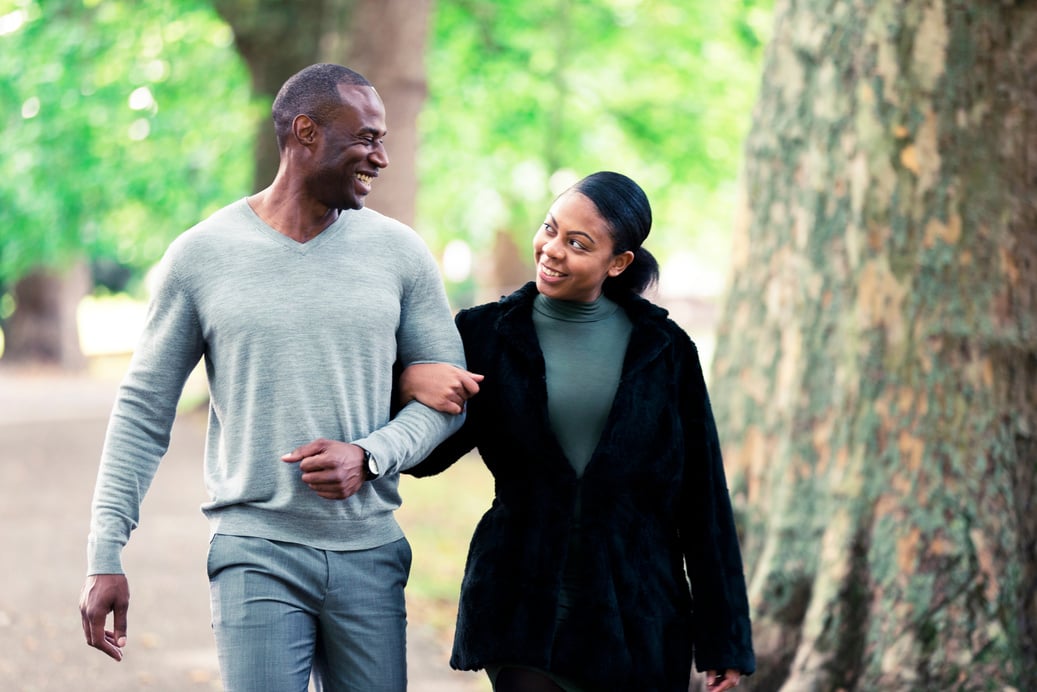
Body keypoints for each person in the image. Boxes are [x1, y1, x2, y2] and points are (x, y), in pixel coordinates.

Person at [78, 63, 471, 692]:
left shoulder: (400, 254)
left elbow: (451, 399)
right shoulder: (201, 256)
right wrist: (104, 554)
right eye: (366, 138)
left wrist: (370, 457)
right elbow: (143, 410)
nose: (382, 157)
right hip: (254, 550)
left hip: (370, 553)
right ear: (306, 131)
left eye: (384, 138)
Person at [399, 171, 755, 692]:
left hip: (639, 614)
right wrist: (408, 380)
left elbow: (703, 498)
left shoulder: (665, 350)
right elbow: (426, 455)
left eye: (577, 243)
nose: (552, 250)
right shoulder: (486, 334)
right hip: (524, 604)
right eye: (550, 228)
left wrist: (725, 637)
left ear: (618, 263)